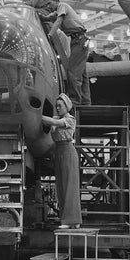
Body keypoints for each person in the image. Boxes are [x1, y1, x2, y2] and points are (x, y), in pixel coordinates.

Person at [41, 0, 91, 106]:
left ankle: (75, 101)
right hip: (77, 41)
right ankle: (86, 101)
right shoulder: (57, 11)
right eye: (46, 5)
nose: (48, 6)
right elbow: (49, 18)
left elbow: (58, 21)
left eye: (49, 3)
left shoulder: (62, 6)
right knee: (82, 74)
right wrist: (42, 17)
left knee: (73, 72)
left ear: (56, 0)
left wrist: (49, 35)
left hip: (79, 40)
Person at [41, 93, 82, 229]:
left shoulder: (69, 119)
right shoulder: (57, 117)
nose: (57, 108)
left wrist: (35, 116)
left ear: (67, 106)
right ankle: (72, 220)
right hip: (59, 151)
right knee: (62, 187)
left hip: (67, 151)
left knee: (69, 186)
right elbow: (52, 120)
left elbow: (53, 122)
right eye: (56, 106)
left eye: (60, 106)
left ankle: (69, 220)